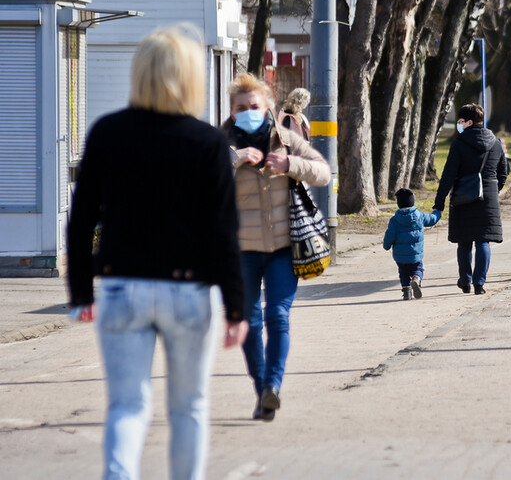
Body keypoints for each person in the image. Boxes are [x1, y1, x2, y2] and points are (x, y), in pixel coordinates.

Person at [66, 25, 248, 480]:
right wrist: (237, 308)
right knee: (189, 406)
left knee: (127, 404)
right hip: (189, 290)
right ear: (192, 79)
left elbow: (81, 218)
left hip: (121, 285)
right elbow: (224, 232)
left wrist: (80, 293)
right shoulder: (208, 143)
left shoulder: (107, 132)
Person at [221, 73, 331, 422]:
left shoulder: (285, 139)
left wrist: (290, 164)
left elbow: (323, 172)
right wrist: (237, 157)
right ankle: (262, 392)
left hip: (285, 247)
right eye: (241, 107)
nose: (248, 112)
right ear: (232, 110)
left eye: (254, 106)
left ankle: (273, 386)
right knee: (250, 322)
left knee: (277, 316)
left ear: (267, 106)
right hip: (241, 251)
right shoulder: (218, 142)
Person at [433, 104, 508, 295]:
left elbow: (448, 175)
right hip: (488, 199)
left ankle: (465, 280)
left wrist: (439, 202)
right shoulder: (496, 143)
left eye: (460, 122)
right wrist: (493, 190)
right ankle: (479, 283)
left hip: (463, 197)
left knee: (464, 242)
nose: (459, 125)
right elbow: (504, 172)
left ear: (469, 122)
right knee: (484, 241)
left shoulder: (459, 144)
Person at [383, 188, 442, 300]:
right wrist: (438, 212)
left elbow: (389, 235)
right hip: (416, 254)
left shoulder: (395, 220)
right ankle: (416, 278)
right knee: (418, 269)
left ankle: (406, 292)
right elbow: (432, 219)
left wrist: (386, 246)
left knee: (403, 272)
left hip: (400, 256)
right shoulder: (419, 216)